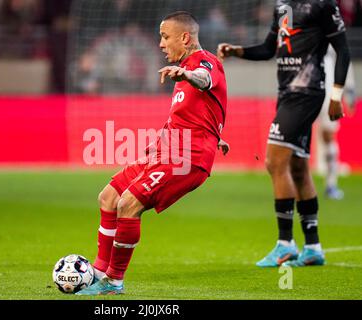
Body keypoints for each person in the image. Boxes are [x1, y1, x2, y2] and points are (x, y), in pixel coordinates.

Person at [76, 11, 229, 295]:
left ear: (185, 38)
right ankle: (98, 271)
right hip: (166, 150)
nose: (160, 43)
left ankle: (114, 281)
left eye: (165, 36)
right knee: (108, 197)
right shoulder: (182, 72)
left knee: (128, 204)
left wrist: (187, 74)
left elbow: (205, 79)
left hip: (188, 157)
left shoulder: (203, 62)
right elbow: (198, 112)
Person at [217, 0, 351, 267]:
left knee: (274, 162)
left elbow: (343, 50)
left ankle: (285, 243)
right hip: (287, 93)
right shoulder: (281, 6)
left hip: (307, 92)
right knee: (298, 167)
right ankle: (313, 247)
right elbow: (269, 49)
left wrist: (336, 96)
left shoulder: (322, 5)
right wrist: (237, 51)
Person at [317, 45, 356, 200]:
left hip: (329, 88)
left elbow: (344, 57)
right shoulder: (306, 28)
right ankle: (295, 181)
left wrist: (350, 91)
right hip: (307, 86)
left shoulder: (333, 30)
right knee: (297, 135)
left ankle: (331, 184)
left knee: (328, 135)